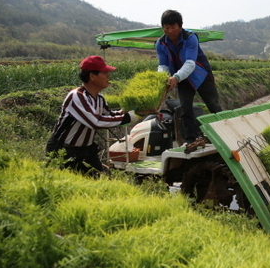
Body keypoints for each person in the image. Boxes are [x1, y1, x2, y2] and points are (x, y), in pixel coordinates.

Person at [46, 55, 140, 176]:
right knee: (62, 184)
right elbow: (96, 121)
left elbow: (110, 115)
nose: (108, 76)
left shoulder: (99, 98)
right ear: (92, 76)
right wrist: (128, 118)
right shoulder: (77, 96)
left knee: (97, 179)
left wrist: (129, 111)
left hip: (86, 150)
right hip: (64, 150)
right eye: (105, 72)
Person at [156, 9, 222, 145]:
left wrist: (176, 77)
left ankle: (223, 133)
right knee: (185, 108)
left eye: (173, 27)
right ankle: (191, 139)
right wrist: (164, 78)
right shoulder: (160, 43)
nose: (170, 31)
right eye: (166, 28)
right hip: (182, 78)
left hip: (201, 74)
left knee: (213, 105)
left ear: (180, 26)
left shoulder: (190, 38)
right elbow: (163, 65)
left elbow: (190, 63)